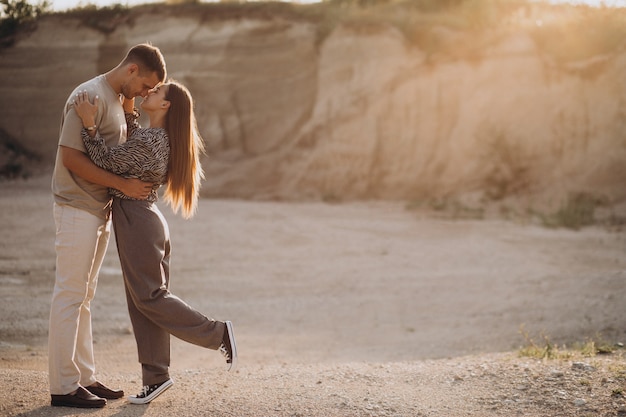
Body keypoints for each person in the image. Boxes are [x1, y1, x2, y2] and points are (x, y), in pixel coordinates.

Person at [72, 80, 237, 405]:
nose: (150, 92)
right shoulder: (154, 138)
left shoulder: (152, 141)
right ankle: (156, 378)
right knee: (142, 302)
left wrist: (89, 124)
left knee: (149, 298)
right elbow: (131, 141)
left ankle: (219, 334)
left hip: (138, 221)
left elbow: (105, 161)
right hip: (141, 219)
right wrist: (131, 108)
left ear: (166, 106)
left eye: (157, 92)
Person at [49, 43, 167, 409]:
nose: (146, 94)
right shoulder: (89, 95)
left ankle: (84, 377)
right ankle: (63, 386)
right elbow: (71, 157)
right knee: (70, 293)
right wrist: (123, 186)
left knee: (85, 297)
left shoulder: (117, 100)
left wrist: (132, 113)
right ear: (132, 69)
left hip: (98, 209)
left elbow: (117, 154)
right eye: (146, 86)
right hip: (76, 205)